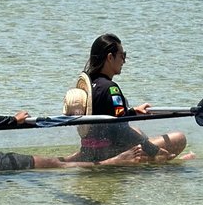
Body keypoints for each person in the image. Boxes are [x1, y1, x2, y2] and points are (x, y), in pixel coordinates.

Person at [0, 31, 144, 174]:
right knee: (53, 166)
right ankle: (110, 164)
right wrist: (12, 121)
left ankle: (78, 159)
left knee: (47, 161)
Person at [66, 33, 189, 164]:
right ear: (110, 57)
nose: (124, 61)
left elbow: (110, 116)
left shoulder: (91, 84)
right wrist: (154, 150)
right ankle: (159, 161)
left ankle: (158, 160)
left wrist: (133, 111)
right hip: (110, 152)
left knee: (138, 131)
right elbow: (121, 130)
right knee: (179, 138)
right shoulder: (111, 88)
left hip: (90, 150)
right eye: (122, 56)